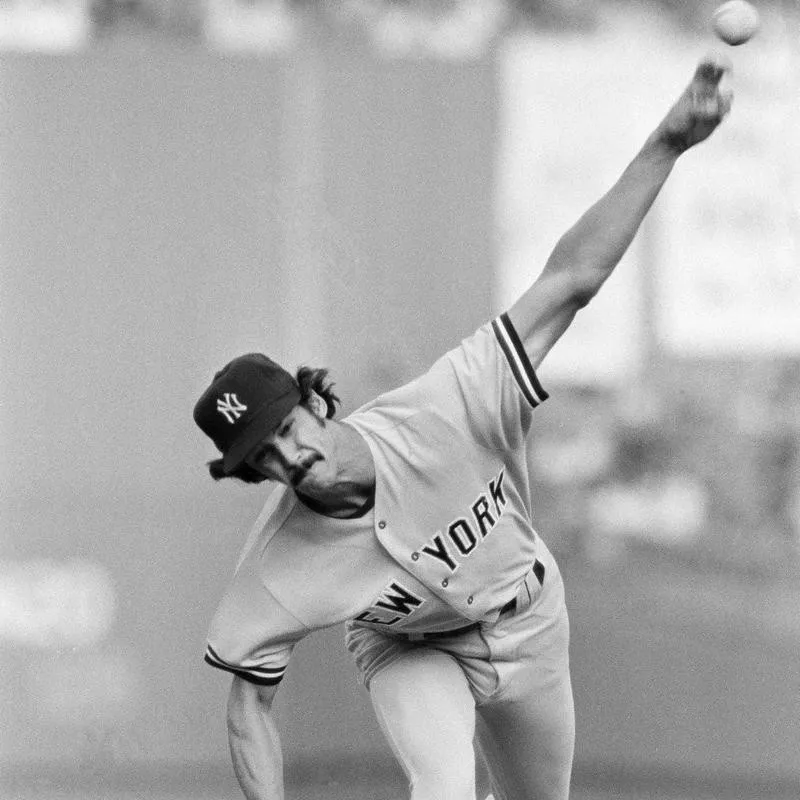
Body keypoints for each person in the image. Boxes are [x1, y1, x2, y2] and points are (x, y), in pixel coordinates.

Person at [193, 54, 733, 800]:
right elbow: (246, 707)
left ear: (314, 404)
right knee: (442, 787)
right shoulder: (275, 567)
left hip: (530, 622)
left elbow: (571, 280)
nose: (288, 458)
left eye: (286, 429)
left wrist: (666, 145)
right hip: (410, 649)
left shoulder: (450, 405)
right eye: (263, 457)